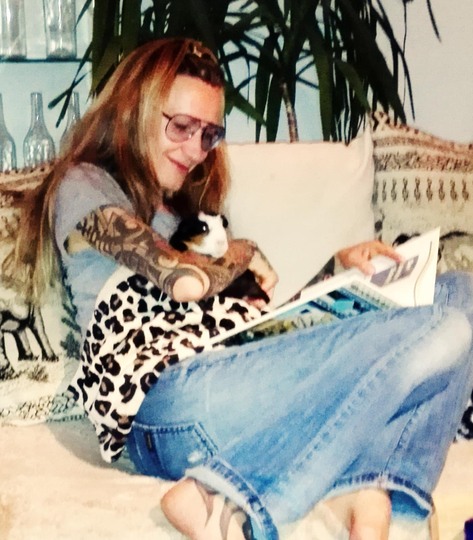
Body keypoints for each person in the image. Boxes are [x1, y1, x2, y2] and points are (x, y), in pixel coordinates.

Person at [12, 37, 473, 540]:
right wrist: (242, 251)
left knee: (460, 296)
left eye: (208, 134)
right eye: (181, 126)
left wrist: (336, 273)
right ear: (134, 110)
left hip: (235, 381)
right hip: (167, 400)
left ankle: (373, 489)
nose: (196, 150)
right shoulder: (85, 185)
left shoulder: (193, 214)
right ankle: (256, 507)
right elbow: (183, 281)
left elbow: (262, 332)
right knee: (443, 328)